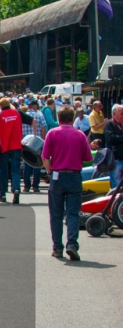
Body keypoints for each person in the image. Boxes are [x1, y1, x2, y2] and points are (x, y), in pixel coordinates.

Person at [42, 106, 92, 261]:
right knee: (72, 213)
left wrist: (50, 171)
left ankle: (57, 247)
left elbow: (45, 157)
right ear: (72, 119)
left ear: (59, 118)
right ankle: (72, 243)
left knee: (56, 214)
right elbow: (88, 157)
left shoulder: (52, 133)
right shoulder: (80, 135)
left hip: (57, 175)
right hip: (74, 175)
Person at [0, 98, 34, 204]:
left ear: (0, 106)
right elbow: (33, 121)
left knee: (3, 172)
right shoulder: (18, 113)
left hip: (4, 148)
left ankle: (2, 195)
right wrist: (35, 135)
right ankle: (16, 189)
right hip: (16, 147)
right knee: (15, 171)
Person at [104, 104, 123, 189]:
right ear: (114, 114)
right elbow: (110, 139)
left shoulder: (121, 125)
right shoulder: (109, 124)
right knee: (116, 185)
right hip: (116, 159)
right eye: (122, 114)